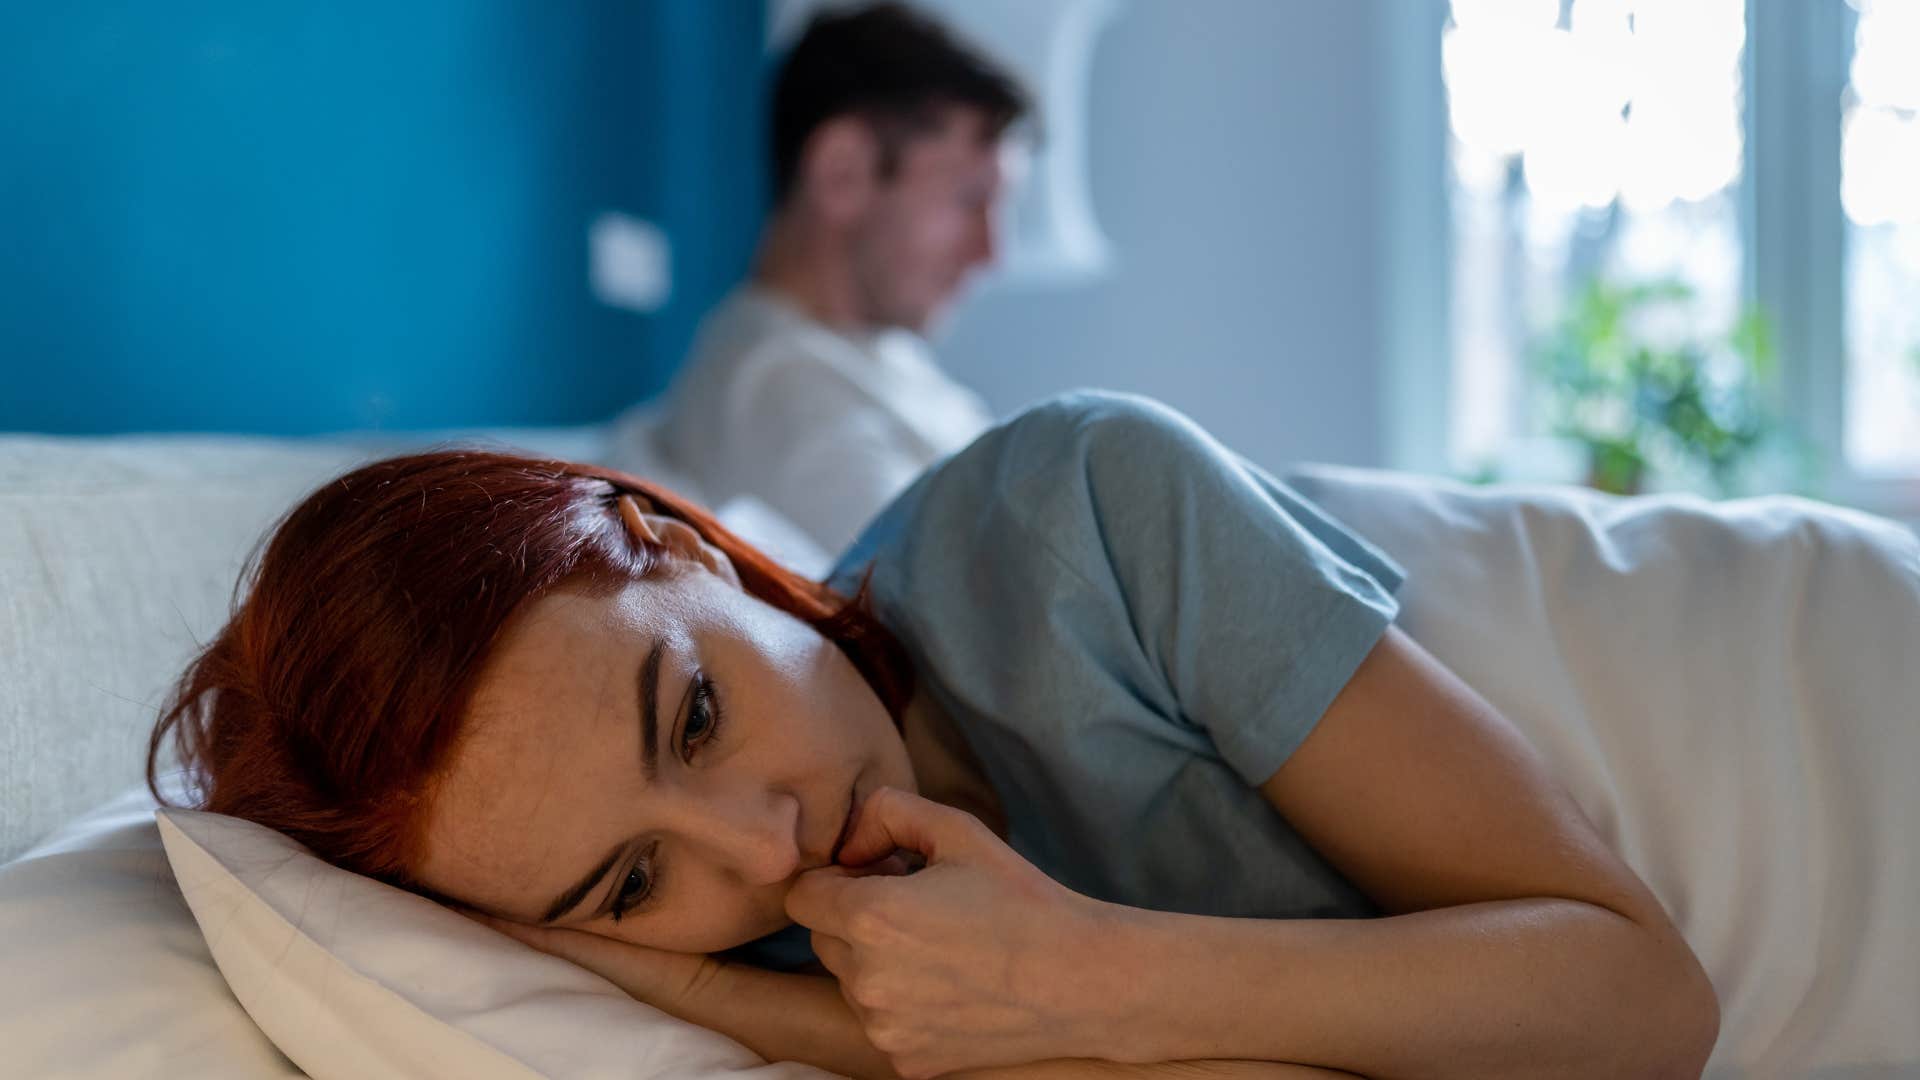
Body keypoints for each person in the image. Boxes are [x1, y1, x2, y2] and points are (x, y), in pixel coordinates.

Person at [148, 391, 1721, 1080]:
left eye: (694, 712)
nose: (765, 848)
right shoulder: (764, 954)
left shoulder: (1080, 516)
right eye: (627, 884)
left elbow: (1643, 1005)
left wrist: (1086, 977)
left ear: (681, 546)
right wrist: (748, 999)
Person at [647, 1, 1029, 557]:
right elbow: (961, 622)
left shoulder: (879, 361)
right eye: (970, 199)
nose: (991, 253)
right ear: (842, 172)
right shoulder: (778, 392)